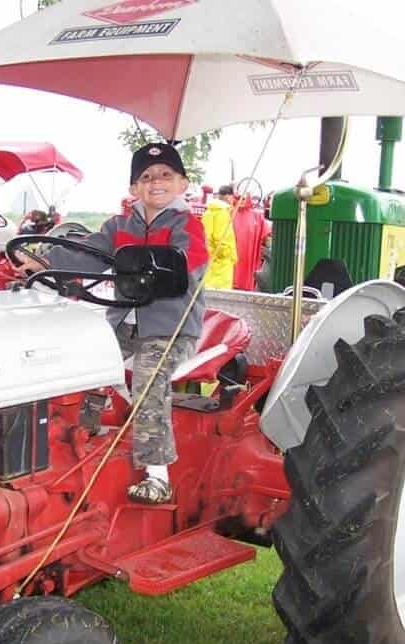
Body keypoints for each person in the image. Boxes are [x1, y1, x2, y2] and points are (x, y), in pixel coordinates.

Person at [15, 142, 209, 504]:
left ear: (183, 184)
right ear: (134, 188)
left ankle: (157, 475)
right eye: (146, 177)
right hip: (124, 322)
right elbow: (88, 251)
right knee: (86, 364)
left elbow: (189, 266)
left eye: (166, 175)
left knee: (149, 379)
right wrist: (43, 263)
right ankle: (79, 441)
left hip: (170, 327)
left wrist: (150, 271)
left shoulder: (188, 227)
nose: (156, 182)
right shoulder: (121, 225)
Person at [200, 184, 238, 289]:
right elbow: (221, 238)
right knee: (221, 294)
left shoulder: (209, 212)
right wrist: (227, 254)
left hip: (210, 259)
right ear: (229, 196)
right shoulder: (221, 213)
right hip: (220, 263)